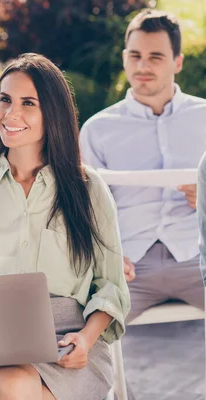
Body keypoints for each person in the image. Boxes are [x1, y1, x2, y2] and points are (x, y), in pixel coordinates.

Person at [0, 53, 130, 400]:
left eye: (28, 103)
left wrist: (86, 339)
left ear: (52, 114)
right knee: (12, 385)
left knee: (16, 390)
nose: (11, 113)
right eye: (5, 100)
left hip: (71, 341)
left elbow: (111, 286)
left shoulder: (88, 188)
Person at [80, 9, 206, 322]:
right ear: (124, 58)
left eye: (155, 57)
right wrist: (105, 257)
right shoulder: (97, 130)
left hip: (198, 258)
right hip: (129, 265)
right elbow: (84, 209)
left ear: (177, 62)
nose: (142, 66)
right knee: (75, 330)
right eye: (135, 55)